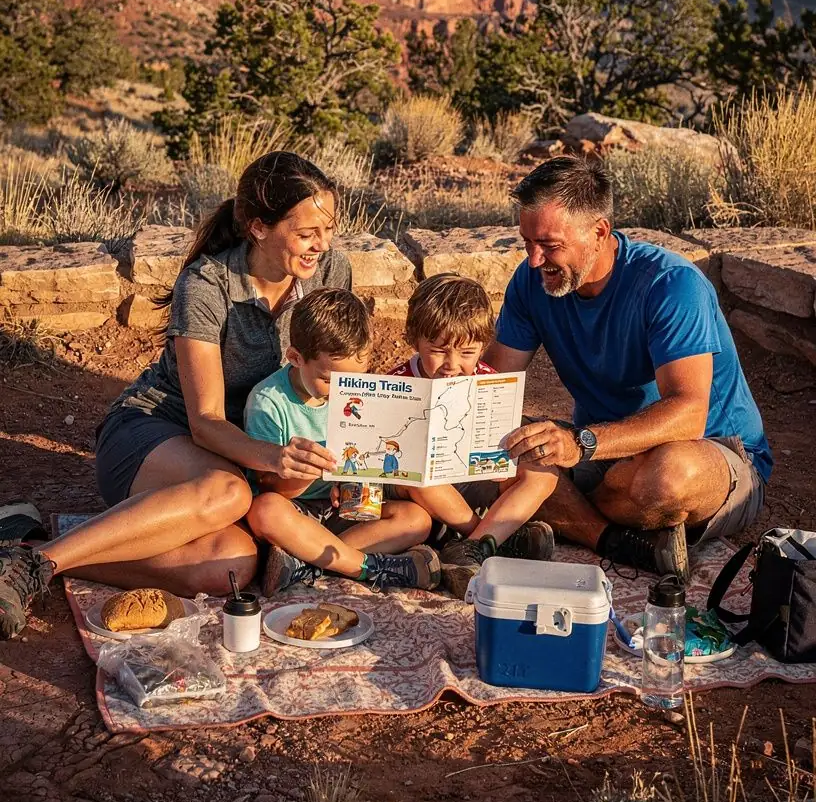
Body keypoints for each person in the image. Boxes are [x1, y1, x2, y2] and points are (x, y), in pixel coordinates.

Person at [0, 152, 358, 639]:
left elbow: (335, 374)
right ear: (258, 227)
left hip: (248, 451)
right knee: (230, 492)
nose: (322, 244)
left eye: (329, 228)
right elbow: (205, 421)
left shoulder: (332, 269)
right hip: (159, 432)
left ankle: (38, 550)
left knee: (228, 567)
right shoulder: (207, 284)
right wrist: (274, 458)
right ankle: (35, 567)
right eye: (305, 233)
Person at [488, 156, 771, 582]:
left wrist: (578, 444)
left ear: (599, 231)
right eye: (526, 241)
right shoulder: (532, 282)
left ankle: (562, 512)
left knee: (667, 478)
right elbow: (492, 382)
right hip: (601, 451)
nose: (533, 259)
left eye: (549, 244)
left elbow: (690, 413)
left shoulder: (670, 284)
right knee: (497, 447)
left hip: (711, 451)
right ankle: (614, 540)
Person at [244, 287, 439, 591]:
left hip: (342, 509)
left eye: (352, 380)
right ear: (295, 357)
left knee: (417, 519)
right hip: (296, 510)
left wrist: (357, 480)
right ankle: (368, 568)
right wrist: (313, 471)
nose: (342, 391)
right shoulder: (269, 402)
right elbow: (270, 486)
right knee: (266, 511)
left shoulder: (361, 394)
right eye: (328, 380)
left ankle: (306, 563)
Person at [387, 274, 555, 597]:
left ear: (483, 345)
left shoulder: (490, 381)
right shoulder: (397, 383)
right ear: (414, 340)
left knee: (544, 473)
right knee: (415, 475)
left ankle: (475, 545)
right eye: (438, 350)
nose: (452, 365)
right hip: (426, 491)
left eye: (467, 353)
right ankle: (481, 541)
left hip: (475, 479)